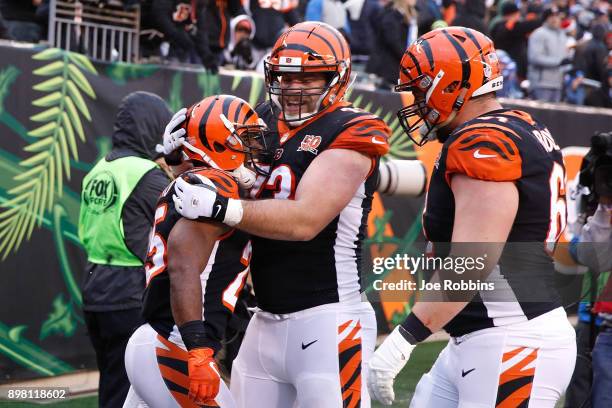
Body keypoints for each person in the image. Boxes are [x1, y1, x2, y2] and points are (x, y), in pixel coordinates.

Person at [170, 21, 391, 408]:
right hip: (264, 320)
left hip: (328, 319)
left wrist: (226, 207)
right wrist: (182, 151)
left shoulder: (352, 128)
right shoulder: (262, 124)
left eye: (307, 78)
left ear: (336, 77)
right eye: (285, 78)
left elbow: (305, 220)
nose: (292, 88)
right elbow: (218, 175)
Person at [366, 27, 576, 407]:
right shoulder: (521, 126)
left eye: (419, 89)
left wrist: (402, 339)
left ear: (449, 86)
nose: (414, 101)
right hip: (484, 335)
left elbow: (472, 262)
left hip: (512, 338)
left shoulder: (482, 142)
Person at [123, 95, 268, 407]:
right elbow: (184, 265)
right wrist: (198, 348)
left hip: (158, 340)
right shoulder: (215, 183)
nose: (255, 150)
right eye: (247, 139)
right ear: (220, 143)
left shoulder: (196, 180)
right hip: (175, 344)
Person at [78, 92, 173, 408]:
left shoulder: (99, 168)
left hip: (94, 288)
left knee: (112, 381)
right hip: (130, 291)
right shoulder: (147, 175)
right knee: (131, 390)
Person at [152, 0, 219, 72]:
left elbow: (200, 31)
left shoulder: (198, 4)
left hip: (175, 45)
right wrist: (176, 34)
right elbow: (159, 13)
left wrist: (207, 57)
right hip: (151, 37)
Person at [528, 6, 570, 103]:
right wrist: (559, 62)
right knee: (540, 116)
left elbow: (563, 58)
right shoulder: (539, 33)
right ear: (546, 18)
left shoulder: (562, 35)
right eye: (551, 16)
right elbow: (535, 58)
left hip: (558, 83)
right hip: (541, 83)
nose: (555, 19)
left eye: (557, 16)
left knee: (555, 117)